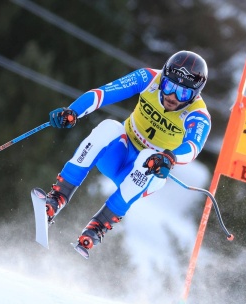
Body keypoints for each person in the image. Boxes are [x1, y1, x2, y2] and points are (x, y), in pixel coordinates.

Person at [43, 50, 211, 257]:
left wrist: (170, 157)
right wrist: (73, 111)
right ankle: (57, 198)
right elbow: (104, 93)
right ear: (163, 79)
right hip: (117, 155)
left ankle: (97, 227)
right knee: (109, 127)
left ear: (195, 94)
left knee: (146, 158)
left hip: (147, 172)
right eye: (168, 86)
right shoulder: (149, 78)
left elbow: (193, 146)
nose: (171, 97)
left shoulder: (198, 114)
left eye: (182, 93)